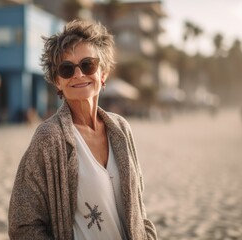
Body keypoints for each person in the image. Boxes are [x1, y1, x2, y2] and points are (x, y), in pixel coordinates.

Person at [8, 19, 157, 239]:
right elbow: (22, 225)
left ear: (103, 74)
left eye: (88, 65)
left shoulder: (121, 129)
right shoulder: (49, 138)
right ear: (58, 81)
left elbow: (138, 207)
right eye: (67, 69)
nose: (78, 75)